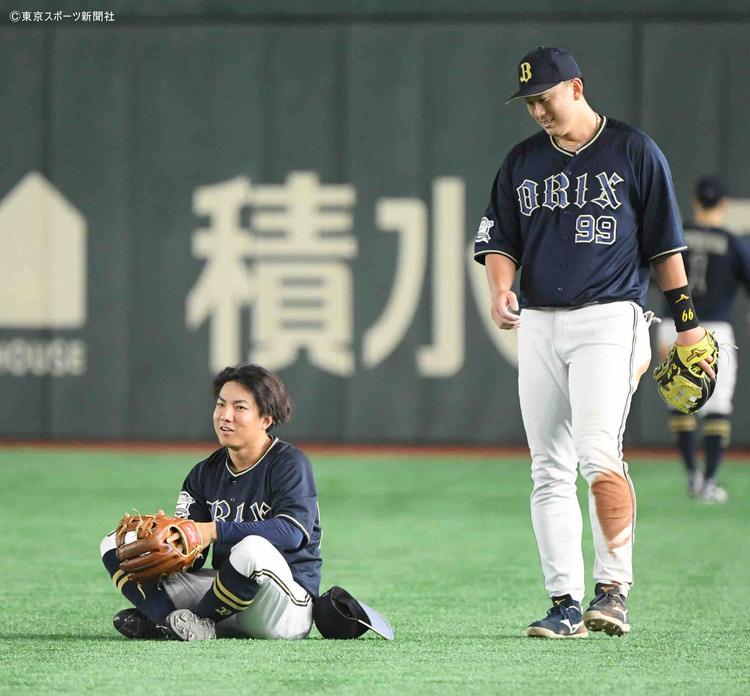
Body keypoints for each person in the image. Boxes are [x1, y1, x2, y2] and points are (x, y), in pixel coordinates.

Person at [474, 46, 716, 639]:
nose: (537, 110)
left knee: (596, 452)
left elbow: (666, 246)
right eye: (529, 102)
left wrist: (686, 324)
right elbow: (498, 238)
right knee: (547, 468)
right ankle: (563, 604)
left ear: (576, 88)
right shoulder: (522, 162)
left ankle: (613, 591)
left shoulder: (634, 151)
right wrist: (501, 288)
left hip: (609, 318)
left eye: (546, 97)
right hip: (539, 322)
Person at [100, 364, 322, 640]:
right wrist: (171, 540)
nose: (225, 416)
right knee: (117, 541)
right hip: (226, 597)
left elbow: (291, 533)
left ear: (266, 418)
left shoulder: (289, 464)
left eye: (240, 408)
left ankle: (191, 622)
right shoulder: (203, 473)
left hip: (284, 605)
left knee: (251, 548)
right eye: (221, 405)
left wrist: (212, 530)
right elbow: (194, 562)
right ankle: (169, 620)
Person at [657, 176, 750, 503]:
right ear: (724, 204)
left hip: (674, 326)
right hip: (714, 331)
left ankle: (691, 475)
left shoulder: (676, 236)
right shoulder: (734, 242)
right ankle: (709, 482)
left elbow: (654, 276)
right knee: (717, 406)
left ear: (696, 201)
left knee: (680, 401)